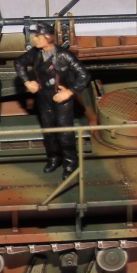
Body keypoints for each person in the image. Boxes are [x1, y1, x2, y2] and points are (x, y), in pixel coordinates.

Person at [14, 23, 90, 177]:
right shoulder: (36, 53)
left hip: (61, 99)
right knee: (48, 131)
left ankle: (70, 163)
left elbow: (84, 75)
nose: (34, 39)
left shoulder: (64, 55)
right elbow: (19, 62)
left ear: (48, 37)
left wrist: (70, 91)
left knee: (64, 133)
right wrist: (27, 82)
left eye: (38, 36)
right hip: (43, 97)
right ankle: (54, 158)